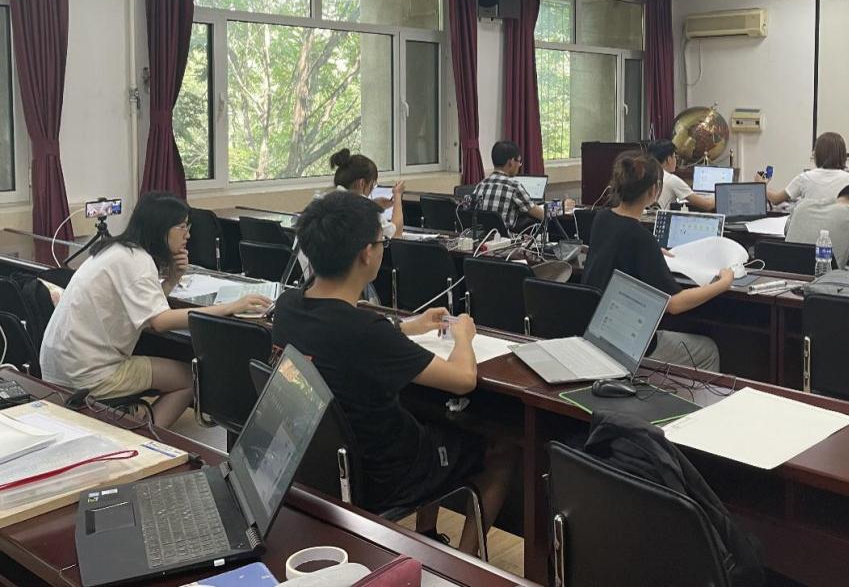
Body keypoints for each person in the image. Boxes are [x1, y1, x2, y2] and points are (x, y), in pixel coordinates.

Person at [272, 191, 514, 554]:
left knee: (428, 418)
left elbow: (344, 338)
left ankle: (428, 534)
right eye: (381, 242)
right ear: (366, 254)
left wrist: (406, 327)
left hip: (313, 464)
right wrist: (463, 335)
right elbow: (463, 379)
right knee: (501, 449)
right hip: (384, 476)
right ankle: (464, 563)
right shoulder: (365, 332)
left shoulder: (288, 305)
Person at [40, 193, 270, 428]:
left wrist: (171, 279)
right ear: (160, 229)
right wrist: (230, 307)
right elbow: (160, 321)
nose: (188, 235)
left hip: (58, 363)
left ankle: (137, 423)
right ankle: (143, 439)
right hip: (88, 372)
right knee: (191, 380)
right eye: (182, 227)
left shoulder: (114, 250)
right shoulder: (137, 261)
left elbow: (148, 313)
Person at [581, 151, 734, 372]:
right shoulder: (641, 237)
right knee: (708, 350)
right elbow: (675, 304)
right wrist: (723, 283)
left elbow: (617, 250)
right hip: (630, 343)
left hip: (598, 329)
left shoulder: (602, 218)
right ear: (654, 191)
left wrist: (652, 251)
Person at [756, 132, 849, 206]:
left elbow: (776, 199)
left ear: (817, 154)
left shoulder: (805, 178)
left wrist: (761, 185)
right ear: (843, 155)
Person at [331, 148, 404, 238]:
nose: (371, 189)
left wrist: (373, 204)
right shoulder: (366, 211)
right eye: (372, 184)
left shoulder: (327, 201)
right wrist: (397, 195)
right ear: (362, 183)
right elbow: (396, 234)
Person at [472, 140, 544, 231]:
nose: (519, 165)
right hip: (505, 238)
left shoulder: (480, 185)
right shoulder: (513, 186)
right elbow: (541, 215)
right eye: (519, 161)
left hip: (482, 238)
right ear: (511, 162)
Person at [648, 139, 715, 211]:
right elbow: (707, 205)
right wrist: (718, 197)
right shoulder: (671, 180)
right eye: (675, 156)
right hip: (657, 217)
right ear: (669, 159)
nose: (676, 160)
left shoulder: (646, 174)